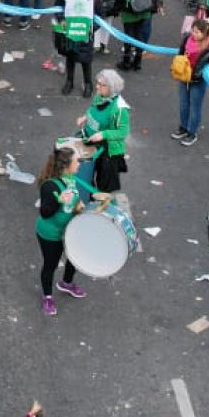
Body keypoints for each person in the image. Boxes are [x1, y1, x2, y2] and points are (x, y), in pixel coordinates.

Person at [34, 145, 94, 316]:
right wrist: (59, 200)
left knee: (73, 258)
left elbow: (73, 197)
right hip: (50, 234)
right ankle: (47, 297)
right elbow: (45, 213)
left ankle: (66, 283)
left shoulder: (70, 178)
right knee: (50, 265)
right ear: (66, 165)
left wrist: (78, 205)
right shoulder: (50, 186)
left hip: (68, 229)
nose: (80, 164)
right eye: (77, 161)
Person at [78, 70, 131, 194]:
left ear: (112, 88)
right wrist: (85, 117)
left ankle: (102, 208)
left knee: (104, 184)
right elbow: (92, 108)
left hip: (107, 151)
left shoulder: (119, 108)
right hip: (92, 142)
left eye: (102, 85)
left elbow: (123, 132)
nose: (97, 86)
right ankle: (88, 198)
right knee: (86, 175)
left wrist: (103, 134)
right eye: (98, 83)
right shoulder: (100, 96)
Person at [47, 0, 96, 96]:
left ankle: (88, 84)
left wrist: (91, 29)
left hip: (85, 35)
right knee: (71, 57)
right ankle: (69, 82)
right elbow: (57, 7)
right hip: (69, 32)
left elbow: (100, 15)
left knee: (86, 60)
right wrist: (62, 19)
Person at [173, 18, 209, 146]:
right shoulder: (187, 38)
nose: (194, 34)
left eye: (198, 32)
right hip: (184, 77)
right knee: (183, 104)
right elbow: (181, 52)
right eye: (193, 31)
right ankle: (183, 127)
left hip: (198, 81)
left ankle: (192, 133)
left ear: (205, 33)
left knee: (195, 107)